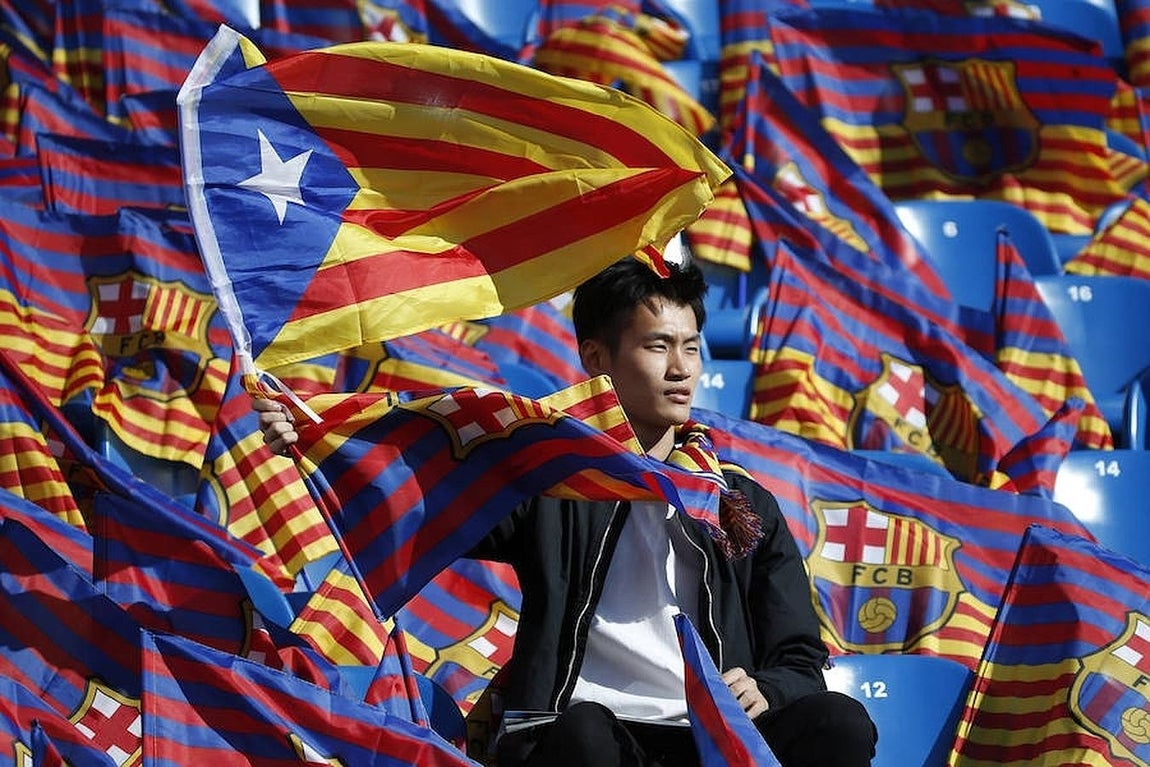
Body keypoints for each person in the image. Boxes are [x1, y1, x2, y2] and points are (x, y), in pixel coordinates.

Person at [256, 257, 876, 767]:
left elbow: (800, 659)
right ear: (597, 358)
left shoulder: (742, 504)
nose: (683, 369)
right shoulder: (552, 480)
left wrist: (764, 690)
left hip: (714, 738)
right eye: (658, 346)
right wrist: (317, 442)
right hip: (579, 736)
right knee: (586, 735)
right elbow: (424, 493)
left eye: (692, 346)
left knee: (840, 722)